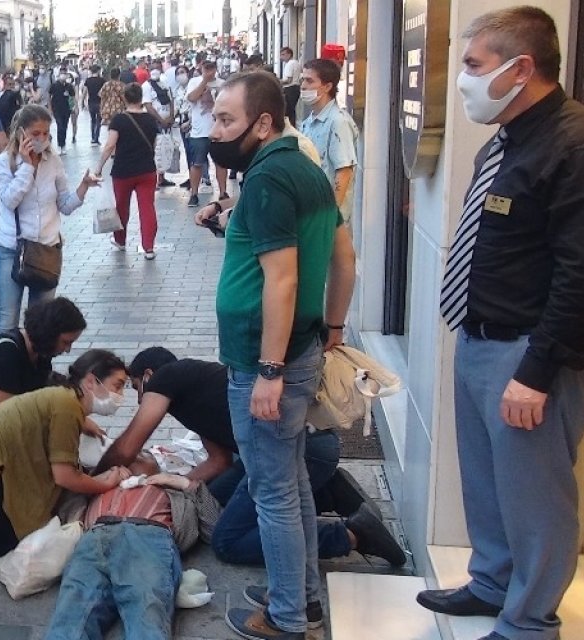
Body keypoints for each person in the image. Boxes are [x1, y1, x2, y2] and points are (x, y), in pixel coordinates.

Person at [415, 9, 584, 640]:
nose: (463, 80)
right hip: (481, 339)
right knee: (489, 483)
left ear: (521, 69)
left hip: (528, 356)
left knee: (537, 497)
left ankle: (529, 621)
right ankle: (492, 582)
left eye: (472, 66)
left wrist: (537, 372)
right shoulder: (507, 139)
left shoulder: (578, 145)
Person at [205, 71, 356, 640]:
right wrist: (333, 326)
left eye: (226, 119)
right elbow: (346, 258)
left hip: (267, 361)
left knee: (274, 496)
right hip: (299, 350)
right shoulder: (306, 169)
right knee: (290, 487)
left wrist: (268, 369)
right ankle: (303, 599)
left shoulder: (268, 178)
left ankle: (288, 617)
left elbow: (284, 279)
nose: (215, 129)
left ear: (263, 122)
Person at [105, 348, 407, 580]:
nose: (137, 399)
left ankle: (352, 535)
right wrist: (178, 490)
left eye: (134, 387)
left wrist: (94, 479)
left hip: (299, 451)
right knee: (214, 504)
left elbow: (129, 444)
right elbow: (218, 461)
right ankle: (327, 492)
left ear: (148, 375)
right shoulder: (191, 391)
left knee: (227, 540)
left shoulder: (167, 377)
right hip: (295, 449)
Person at [0, 350, 135, 574]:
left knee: (9, 519)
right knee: (6, 543)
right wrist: (105, 483)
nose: (120, 395)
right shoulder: (67, 406)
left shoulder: (61, 398)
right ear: (90, 381)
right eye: (118, 385)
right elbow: (64, 475)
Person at [44, 452, 192, 640]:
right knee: (71, 616)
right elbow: (60, 493)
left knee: (146, 614)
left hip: (145, 539)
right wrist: (97, 480)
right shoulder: (97, 487)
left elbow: (212, 523)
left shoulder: (166, 490)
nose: (137, 453)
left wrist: (182, 483)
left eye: (146, 454)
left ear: (157, 469)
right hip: (94, 539)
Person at [0, 106, 98, 333]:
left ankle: (37, 367)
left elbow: (65, 205)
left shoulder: (53, 160)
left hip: (46, 250)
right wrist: (27, 167)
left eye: (46, 133)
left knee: (42, 325)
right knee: (6, 320)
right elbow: (9, 201)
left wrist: (83, 187)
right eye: (35, 133)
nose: (41, 139)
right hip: (11, 248)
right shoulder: (5, 162)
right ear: (21, 133)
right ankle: (4, 365)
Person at [95, 83, 161, 259]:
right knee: (147, 207)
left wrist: (99, 167)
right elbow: (153, 145)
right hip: (147, 170)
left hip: (123, 171)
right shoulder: (150, 120)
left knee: (122, 207)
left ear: (124, 98)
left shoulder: (119, 120)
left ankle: (120, 241)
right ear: (141, 98)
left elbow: (110, 145)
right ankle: (148, 247)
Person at [299, 59, 359, 223]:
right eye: (302, 80)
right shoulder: (308, 123)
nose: (303, 86)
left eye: (309, 81)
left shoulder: (338, 122)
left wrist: (329, 215)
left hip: (327, 220)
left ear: (327, 86)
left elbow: (344, 171)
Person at [184, 61, 228, 206]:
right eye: (206, 69)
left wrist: (212, 102)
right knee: (197, 163)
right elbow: (191, 98)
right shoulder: (194, 82)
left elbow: (227, 106)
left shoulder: (222, 84)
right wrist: (204, 81)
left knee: (221, 163)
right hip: (199, 131)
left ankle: (223, 192)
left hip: (218, 130)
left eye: (211, 69)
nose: (209, 71)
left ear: (215, 69)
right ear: (201, 69)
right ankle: (194, 193)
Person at [142, 67, 177, 187]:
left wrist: (171, 116)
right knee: (155, 149)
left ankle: (162, 177)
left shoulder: (165, 84)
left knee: (165, 148)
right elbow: (148, 106)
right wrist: (161, 120)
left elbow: (171, 100)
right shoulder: (146, 86)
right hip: (154, 122)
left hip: (167, 122)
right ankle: (153, 178)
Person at [49, 73, 76, 150]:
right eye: (62, 73)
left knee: (64, 126)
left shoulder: (69, 86)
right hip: (56, 109)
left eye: (64, 74)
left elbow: (73, 97)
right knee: (59, 126)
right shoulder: (54, 85)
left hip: (66, 109)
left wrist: (74, 107)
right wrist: (50, 108)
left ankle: (63, 144)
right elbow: (49, 96)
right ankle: (60, 144)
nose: (63, 75)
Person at [278, 47, 301, 125]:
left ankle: (289, 126)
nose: (281, 57)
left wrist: (277, 81)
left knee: (288, 111)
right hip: (295, 88)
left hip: (290, 89)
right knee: (291, 110)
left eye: (283, 54)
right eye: (281, 55)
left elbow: (288, 80)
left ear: (289, 54)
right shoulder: (296, 62)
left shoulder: (290, 64)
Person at [84, 65, 106, 145]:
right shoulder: (102, 80)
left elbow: (85, 91)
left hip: (91, 102)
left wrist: (83, 101)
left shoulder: (88, 80)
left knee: (92, 120)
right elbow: (104, 92)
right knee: (99, 121)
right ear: (98, 71)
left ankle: (93, 137)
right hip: (100, 102)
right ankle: (96, 138)